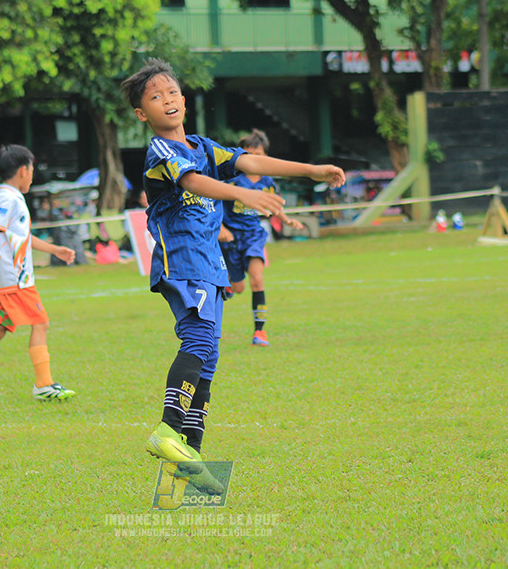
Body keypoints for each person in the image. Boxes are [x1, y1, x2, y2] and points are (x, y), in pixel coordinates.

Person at [121, 58, 344, 486]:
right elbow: (192, 183)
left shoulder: (204, 147)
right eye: (155, 97)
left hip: (212, 267)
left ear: (184, 100)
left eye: (171, 92)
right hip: (183, 263)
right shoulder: (161, 150)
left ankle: (190, 457)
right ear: (141, 114)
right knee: (199, 340)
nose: (166, 100)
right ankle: (167, 430)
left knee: (209, 358)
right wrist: (244, 195)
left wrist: (312, 169)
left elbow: (252, 164)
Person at [0, 144, 78, 403]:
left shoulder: (12, 197)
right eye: (32, 170)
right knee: (41, 322)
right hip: (16, 279)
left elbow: (22, 237)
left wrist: (54, 250)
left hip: (9, 278)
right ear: (23, 170)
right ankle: (44, 385)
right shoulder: (8, 199)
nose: (32, 175)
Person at [217, 128, 304, 347]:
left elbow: (272, 203)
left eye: (259, 153)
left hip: (254, 235)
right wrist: (220, 228)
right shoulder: (232, 179)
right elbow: (214, 202)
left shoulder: (266, 181)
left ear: (264, 155)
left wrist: (286, 220)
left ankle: (260, 332)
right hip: (231, 239)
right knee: (239, 288)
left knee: (257, 280)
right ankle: (229, 285)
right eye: (249, 153)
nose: (254, 158)